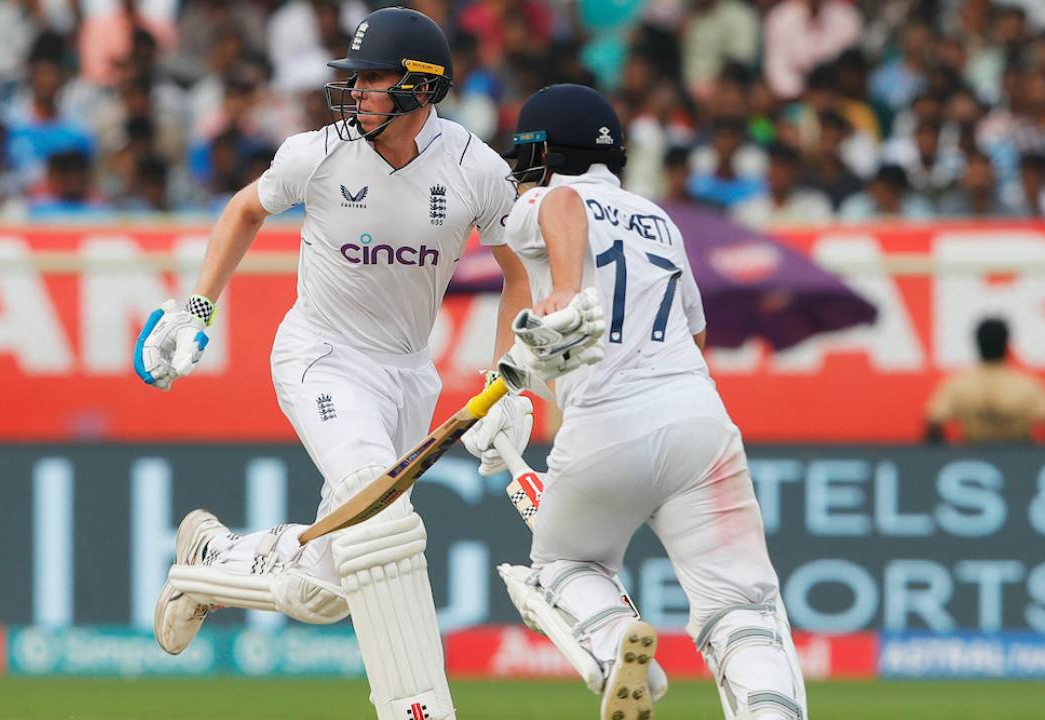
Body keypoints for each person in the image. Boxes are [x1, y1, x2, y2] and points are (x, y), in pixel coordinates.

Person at [132, 9, 542, 720]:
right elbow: (243, 210)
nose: (357, 95)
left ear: (421, 88)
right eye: (353, 80)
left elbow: (520, 268)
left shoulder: (475, 168)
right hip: (320, 355)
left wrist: (509, 377)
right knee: (380, 528)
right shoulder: (317, 153)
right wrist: (196, 310)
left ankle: (212, 561)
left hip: (407, 377)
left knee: (325, 587)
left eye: (374, 81)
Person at [466, 83, 807, 720]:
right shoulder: (661, 220)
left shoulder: (545, 198)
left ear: (547, 152)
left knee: (562, 562)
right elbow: (695, 335)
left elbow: (561, 208)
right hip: (698, 423)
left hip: (605, 426)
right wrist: (507, 384)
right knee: (744, 608)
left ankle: (616, 645)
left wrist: (566, 289)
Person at [925, 317, 1045, 444]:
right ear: (1006, 344)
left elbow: (933, 424)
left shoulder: (958, 385)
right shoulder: (1027, 385)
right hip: (1020, 458)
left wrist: (942, 458)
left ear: (977, 344)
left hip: (973, 458)